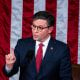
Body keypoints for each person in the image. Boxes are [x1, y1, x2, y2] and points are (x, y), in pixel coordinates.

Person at [3, 11, 72, 80]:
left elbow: (66, 77)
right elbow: (9, 72)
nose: (35, 31)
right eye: (33, 26)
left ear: (50, 29)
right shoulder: (22, 44)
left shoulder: (61, 49)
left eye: (40, 28)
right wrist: (9, 65)